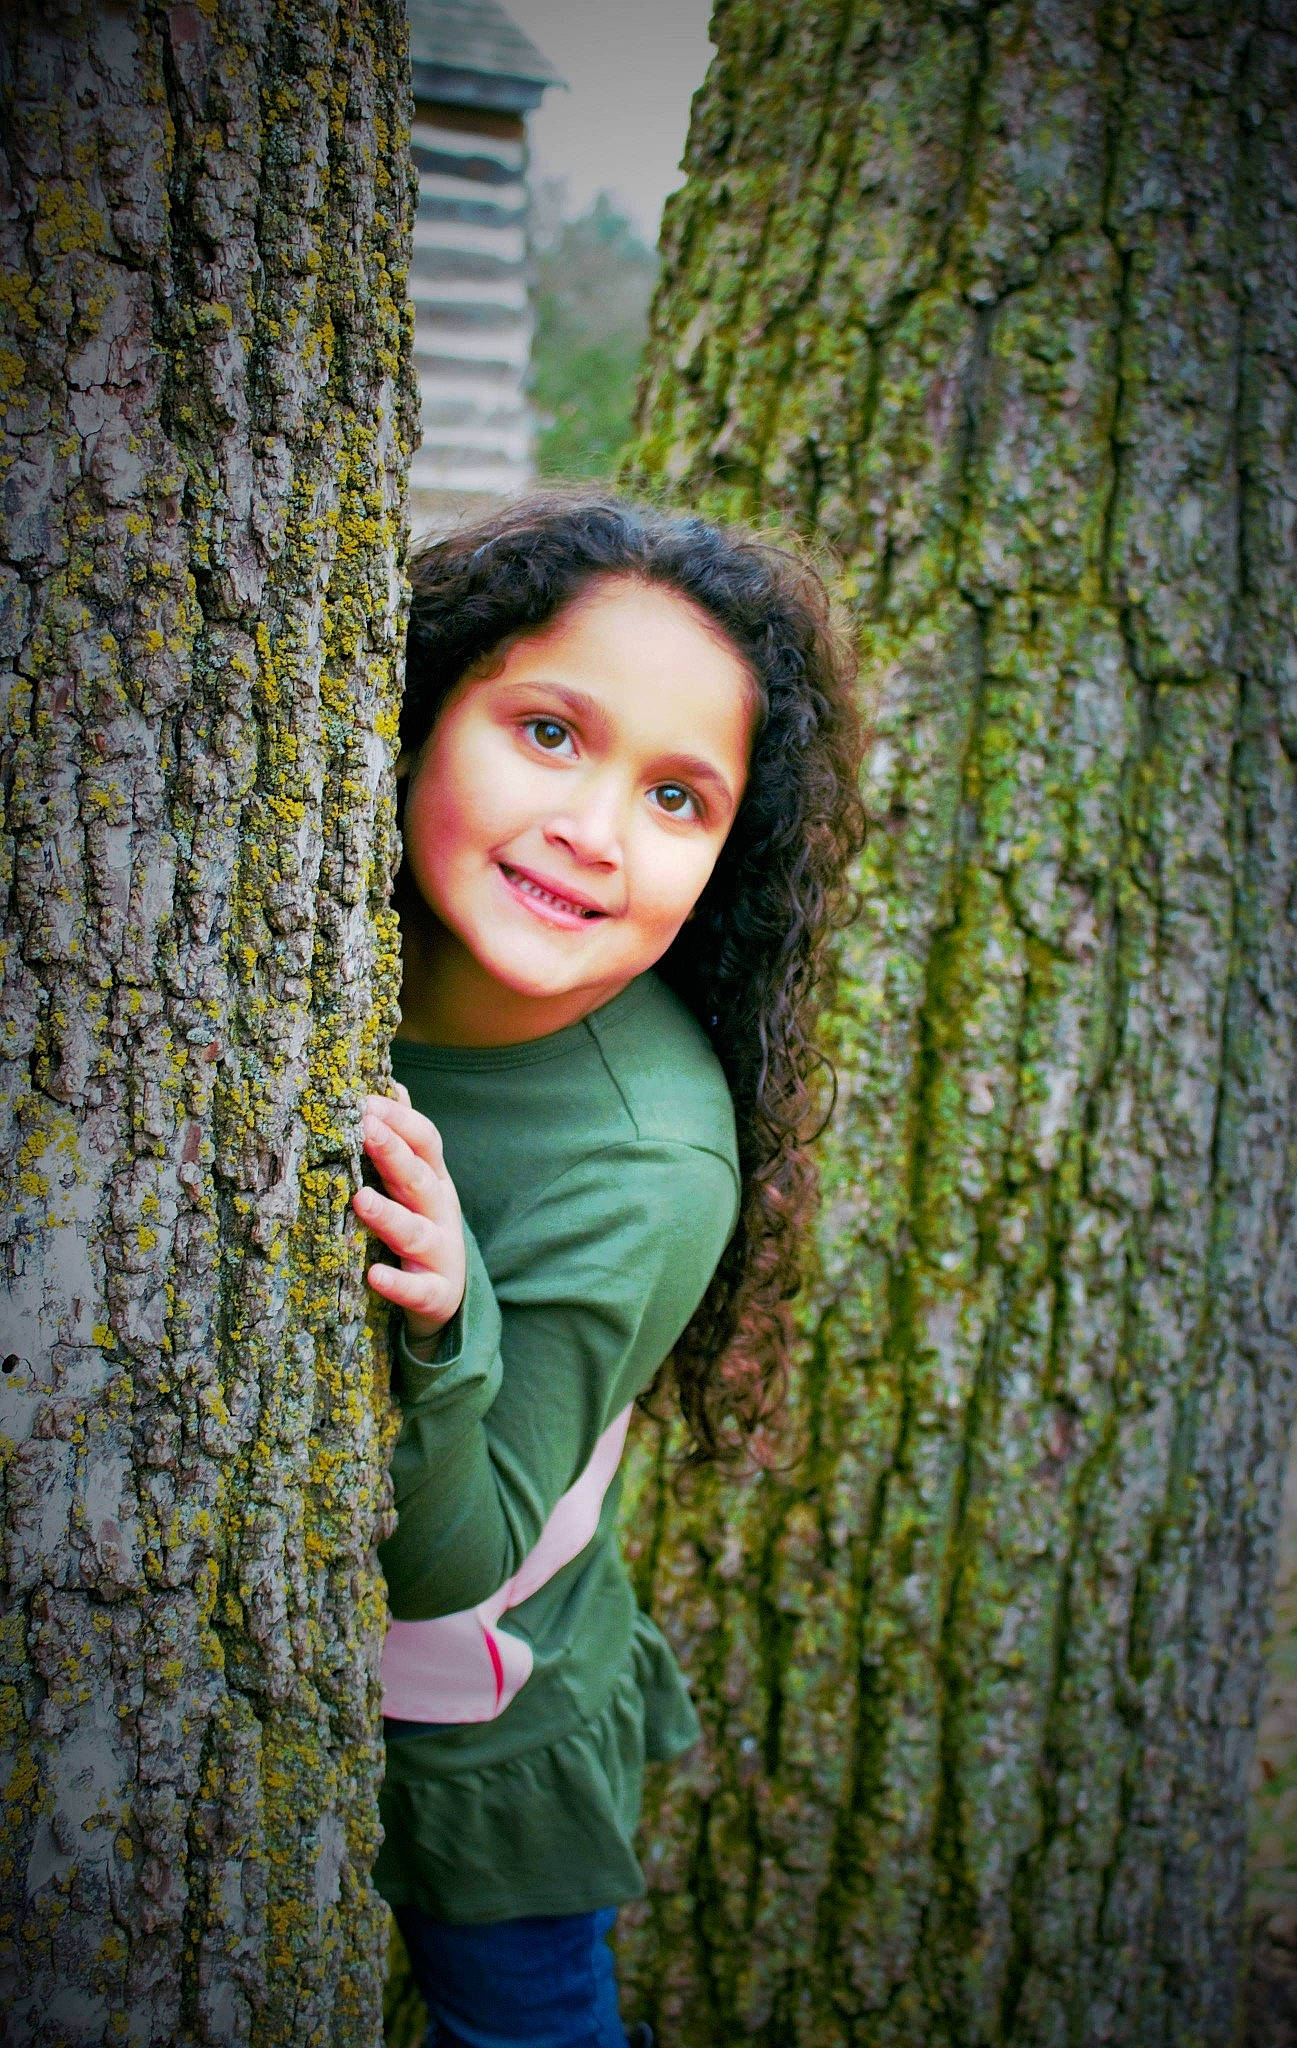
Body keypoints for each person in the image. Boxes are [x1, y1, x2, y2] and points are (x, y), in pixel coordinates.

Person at [353, 495, 863, 2048]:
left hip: (469, 1712)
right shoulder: (323, 928)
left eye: (677, 797)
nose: (594, 829)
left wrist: (454, 1311)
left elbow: (455, 1557)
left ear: (729, 858)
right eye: (550, 732)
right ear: (425, 707)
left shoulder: (645, 1161)